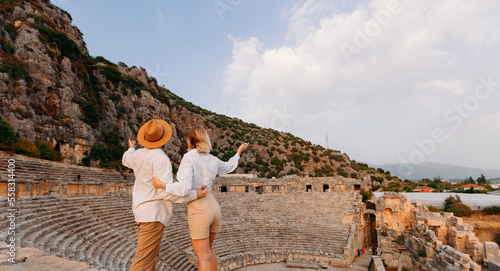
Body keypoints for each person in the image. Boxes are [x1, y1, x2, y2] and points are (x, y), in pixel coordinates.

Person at [152, 126, 249, 271]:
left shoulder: (189, 157)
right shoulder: (213, 159)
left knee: (202, 257)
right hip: (213, 205)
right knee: (209, 251)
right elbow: (229, 166)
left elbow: (184, 189)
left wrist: (163, 185)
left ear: (190, 141)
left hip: (199, 207)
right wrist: (238, 152)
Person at [122, 119, 207, 271]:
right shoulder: (161, 158)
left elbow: (126, 160)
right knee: (142, 263)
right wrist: (195, 194)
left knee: (150, 259)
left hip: (141, 212)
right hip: (153, 214)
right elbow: (166, 192)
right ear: (163, 139)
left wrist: (130, 149)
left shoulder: (138, 154)